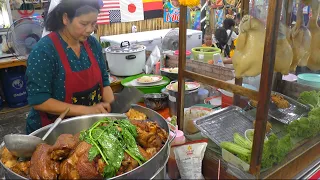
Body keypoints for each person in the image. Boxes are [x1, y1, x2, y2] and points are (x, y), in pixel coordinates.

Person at [25, 0, 114, 134]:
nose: (90, 30)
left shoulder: (92, 44)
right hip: (52, 131)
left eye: (93, 23)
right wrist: (87, 111)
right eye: (84, 24)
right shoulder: (44, 51)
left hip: (90, 128)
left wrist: (112, 104)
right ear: (66, 18)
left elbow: (104, 82)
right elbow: (39, 101)